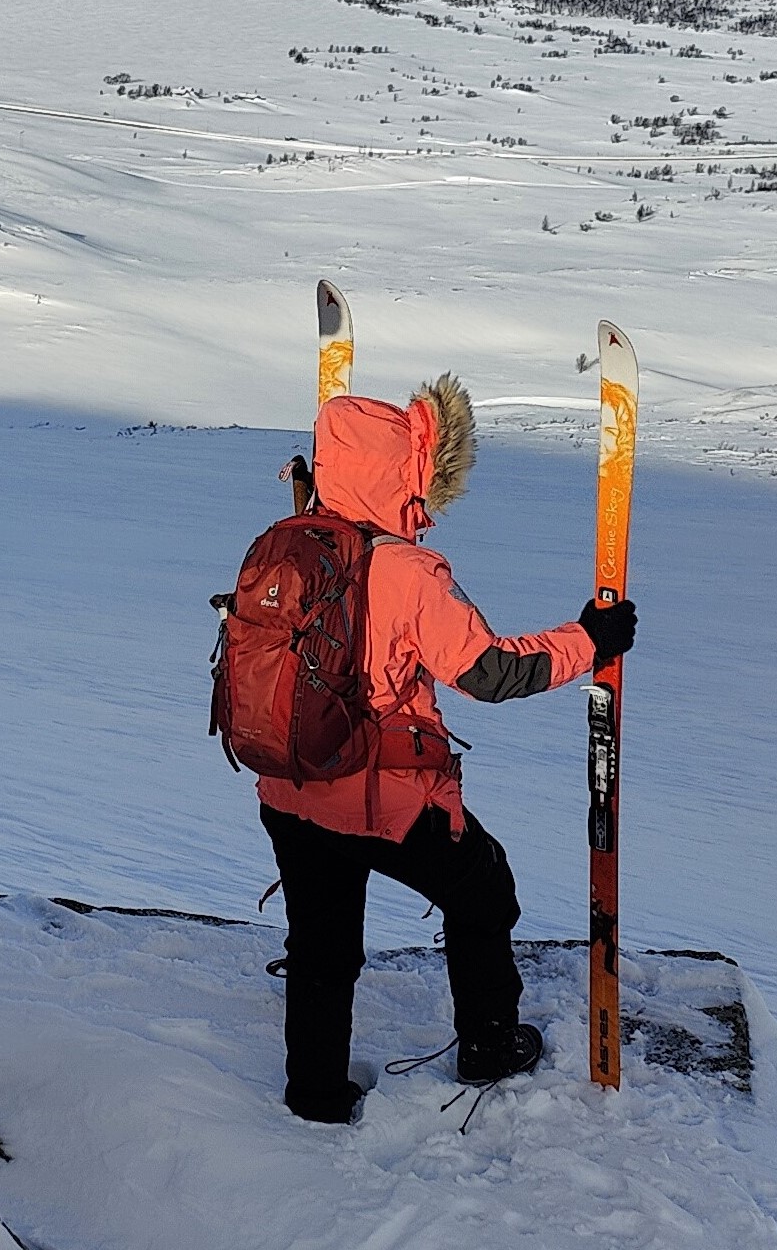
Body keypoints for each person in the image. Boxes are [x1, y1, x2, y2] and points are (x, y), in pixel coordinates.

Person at [261, 375, 637, 1123]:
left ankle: (316, 1093)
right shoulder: (407, 573)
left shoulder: (286, 541)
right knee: (485, 892)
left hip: (289, 785)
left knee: (321, 945)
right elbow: (489, 673)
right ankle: (488, 1044)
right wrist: (589, 640)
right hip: (382, 796)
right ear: (401, 473)